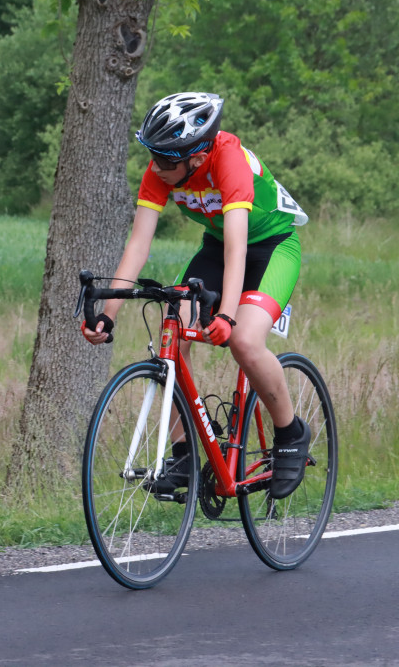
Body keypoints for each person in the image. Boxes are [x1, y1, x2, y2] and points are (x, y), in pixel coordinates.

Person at [82, 92, 310, 499]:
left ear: (198, 157)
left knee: (243, 339)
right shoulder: (162, 168)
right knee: (174, 328)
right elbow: (138, 245)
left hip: (271, 248)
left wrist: (226, 315)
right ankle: (185, 452)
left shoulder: (228, 159)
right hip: (215, 249)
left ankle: (290, 433)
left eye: (168, 162)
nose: (158, 168)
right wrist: (108, 313)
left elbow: (238, 247)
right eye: (154, 157)